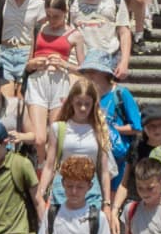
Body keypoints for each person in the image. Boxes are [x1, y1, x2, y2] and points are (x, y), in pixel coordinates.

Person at [39, 74, 113, 215]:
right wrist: (41, 194)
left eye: (87, 104)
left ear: (93, 104)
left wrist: (107, 203)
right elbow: (49, 165)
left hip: (91, 189)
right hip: (63, 188)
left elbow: (104, 170)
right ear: (71, 102)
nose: (83, 108)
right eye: (79, 103)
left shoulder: (100, 129)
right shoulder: (59, 128)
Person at [24, 0, 82, 166]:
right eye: (48, 16)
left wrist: (65, 64)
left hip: (60, 82)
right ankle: (41, 166)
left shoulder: (75, 34)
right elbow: (28, 63)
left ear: (65, 13)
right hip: (37, 81)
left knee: (54, 135)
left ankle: (51, 171)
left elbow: (84, 69)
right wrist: (33, 63)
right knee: (39, 138)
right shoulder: (39, 28)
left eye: (56, 16)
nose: (52, 20)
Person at [77, 51, 141, 206]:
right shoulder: (87, 97)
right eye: (86, 72)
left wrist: (112, 129)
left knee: (111, 203)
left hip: (117, 160)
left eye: (92, 72)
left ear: (104, 73)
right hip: (93, 156)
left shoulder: (120, 94)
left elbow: (137, 127)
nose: (88, 76)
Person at [69, 0, 132, 79]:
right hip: (77, 59)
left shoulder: (114, 0)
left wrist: (124, 62)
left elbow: (124, 33)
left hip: (106, 57)